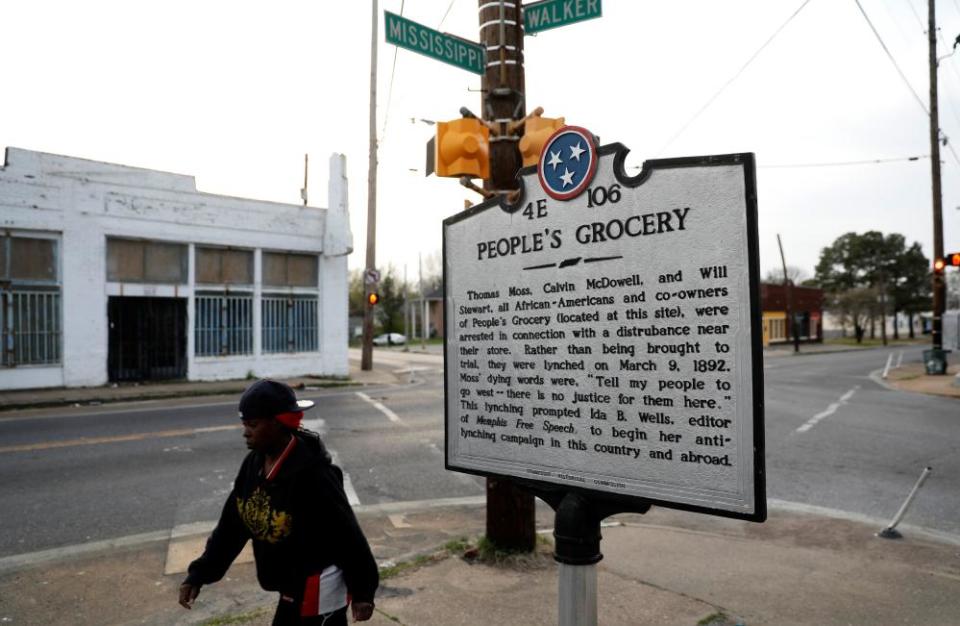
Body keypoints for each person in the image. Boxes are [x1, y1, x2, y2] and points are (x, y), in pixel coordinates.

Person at [178, 379, 378, 625]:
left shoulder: (315, 476)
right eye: (244, 424)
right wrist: (199, 575)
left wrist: (363, 591)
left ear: (279, 423)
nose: (245, 431)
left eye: (253, 424)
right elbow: (233, 525)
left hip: (317, 591)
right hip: (288, 588)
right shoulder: (253, 464)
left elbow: (347, 535)